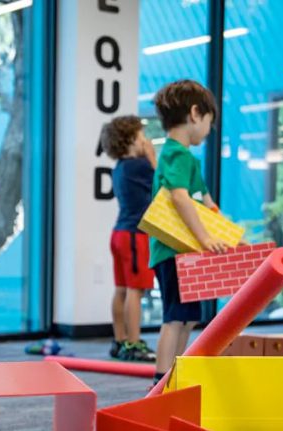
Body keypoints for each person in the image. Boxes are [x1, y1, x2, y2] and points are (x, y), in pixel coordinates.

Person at [149, 80, 227, 386]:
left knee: (188, 317)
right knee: (175, 317)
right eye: (209, 121)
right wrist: (206, 239)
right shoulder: (176, 154)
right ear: (196, 114)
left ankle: (174, 376)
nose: (209, 129)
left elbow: (209, 207)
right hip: (173, 252)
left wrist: (233, 240)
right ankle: (161, 380)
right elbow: (180, 197)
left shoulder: (186, 159)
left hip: (185, 254)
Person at [100, 115, 157, 363]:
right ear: (131, 140)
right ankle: (134, 343)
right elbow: (162, 186)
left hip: (120, 233)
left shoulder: (121, 167)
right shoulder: (140, 166)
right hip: (136, 234)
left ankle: (120, 340)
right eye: (141, 135)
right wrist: (152, 157)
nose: (145, 140)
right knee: (137, 290)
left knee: (122, 289)